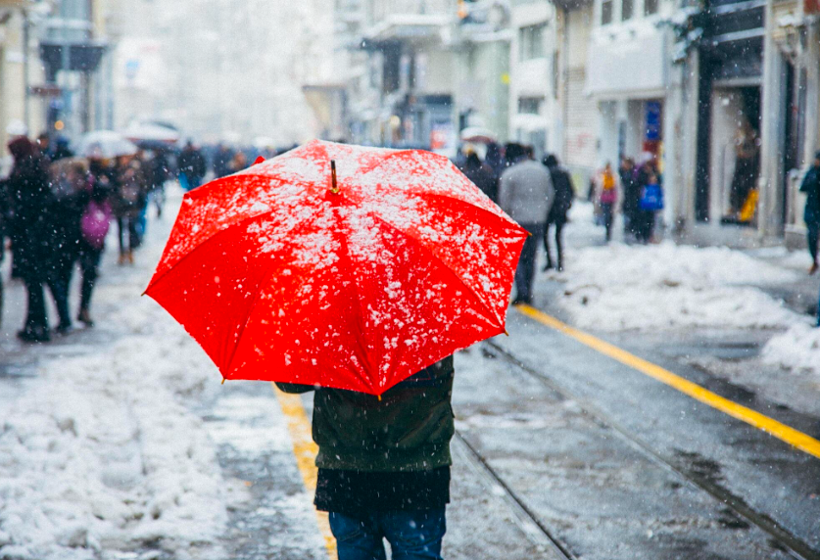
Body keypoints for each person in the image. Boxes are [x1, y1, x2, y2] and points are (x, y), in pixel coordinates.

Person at [275, 357, 455, 560]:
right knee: (417, 551)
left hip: (347, 471)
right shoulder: (431, 328)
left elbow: (288, 380)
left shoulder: (332, 329)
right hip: (419, 473)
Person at [7, 137, 54, 342]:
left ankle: (38, 325)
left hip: (31, 234)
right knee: (34, 283)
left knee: (33, 282)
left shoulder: (28, 168)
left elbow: (27, 200)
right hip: (33, 234)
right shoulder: (35, 164)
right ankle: (34, 323)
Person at [498, 143, 554, 305]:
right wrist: (542, 211)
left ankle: (521, 291)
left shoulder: (510, 174)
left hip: (518, 220)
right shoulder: (542, 171)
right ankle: (528, 290)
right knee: (531, 256)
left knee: (518, 258)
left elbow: (505, 201)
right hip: (538, 219)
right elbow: (549, 195)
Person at [76, 164, 112, 326]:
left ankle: (83, 308)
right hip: (85, 239)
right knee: (88, 274)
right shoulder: (83, 188)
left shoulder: (94, 185)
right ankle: (82, 309)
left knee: (88, 274)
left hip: (90, 240)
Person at [112, 155, 148, 265]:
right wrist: (123, 177)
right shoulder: (115, 170)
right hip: (120, 204)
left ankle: (130, 251)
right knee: (121, 230)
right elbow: (113, 186)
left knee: (131, 228)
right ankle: (122, 252)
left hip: (132, 204)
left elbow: (142, 185)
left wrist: (133, 175)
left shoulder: (135, 169)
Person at [542, 154, 573, 271]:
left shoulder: (547, 174)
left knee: (545, 236)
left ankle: (550, 261)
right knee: (558, 236)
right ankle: (560, 262)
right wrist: (567, 204)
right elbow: (571, 191)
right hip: (561, 208)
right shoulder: (564, 173)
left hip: (549, 209)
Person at [800, 151, 820, 275]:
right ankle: (814, 260)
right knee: (812, 237)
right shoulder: (812, 172)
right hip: (812, 211)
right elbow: (802, 187)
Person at [619, 157, 639, 239]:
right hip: (625, 198)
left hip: (632, 198)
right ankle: (627, 228)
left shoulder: (633, 173)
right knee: (626, 214)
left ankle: (630, 228)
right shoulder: (622, 173)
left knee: (631, 215)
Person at [599, 162, 617, 242]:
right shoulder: (602, 178)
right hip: (604, 199)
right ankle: (607, 230)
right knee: (606, 216)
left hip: (612, 200)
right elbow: (599, 190)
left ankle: (609, 230)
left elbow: (618, 190)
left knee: (610, 216)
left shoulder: (614, 178)